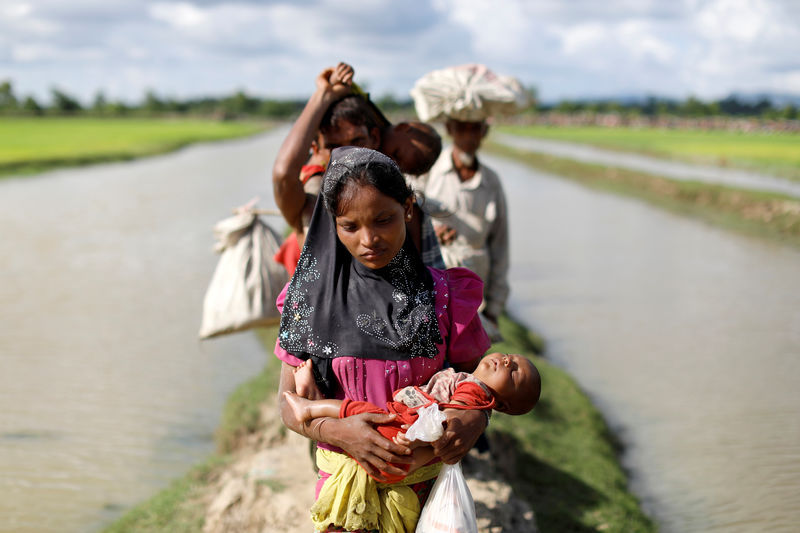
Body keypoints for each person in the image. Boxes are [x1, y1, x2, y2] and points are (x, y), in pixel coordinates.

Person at [275, 146, 491, 533]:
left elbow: (481, 383)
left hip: (427, 499)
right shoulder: (308, 301)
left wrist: (474, 418)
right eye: (350, 226)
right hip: (345, 501)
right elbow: (288, 404)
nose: (369, 239)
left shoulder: (443, 297)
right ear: (332, 223)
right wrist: (338, 431)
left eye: (384, 219)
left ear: (408, 208)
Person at [271, 63, 443, 275]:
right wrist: (323, 94)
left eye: (358, 140)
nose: (349, 153)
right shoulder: (311, 201)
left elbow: (421, 276)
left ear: (375, 139)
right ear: (316, 149)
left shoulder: (401, 204)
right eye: (334, 146)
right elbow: (282, 175)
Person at [283, 351, 541, 482]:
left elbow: (441, 424)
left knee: (358, 411)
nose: (507, 362)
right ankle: (313, 401)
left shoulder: (476, 393)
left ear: (503, 405)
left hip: (407, 424)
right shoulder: (471, 386)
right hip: (408, 420)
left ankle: (311, 405)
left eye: (515, 372)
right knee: (360, 415)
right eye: (510, 357)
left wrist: (414, 440)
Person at [413, 118, 509, 335]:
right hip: (431, 283)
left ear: (484, 131)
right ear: (449, 129)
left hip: (475, 292)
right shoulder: (429, 170)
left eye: (475, 128)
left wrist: (494, 306)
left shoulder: (491, 181)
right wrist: (429, 232)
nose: (469, 137)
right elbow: (407, 213)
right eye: (462, 129)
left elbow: (500, 245)